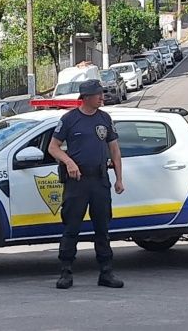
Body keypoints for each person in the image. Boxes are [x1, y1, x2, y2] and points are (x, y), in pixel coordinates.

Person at [48, 79, 125, 290]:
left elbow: (115, 150)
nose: (102, 97)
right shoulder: (70, 119)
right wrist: (69, 162)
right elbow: (53, 148)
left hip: (100, 180)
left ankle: (106, 273)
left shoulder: (104, 118)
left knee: (102, 228)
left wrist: (119, 178)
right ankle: (66, 272)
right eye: (99, 94)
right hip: (77, 182)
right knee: (71, 227)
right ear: (86, 97)